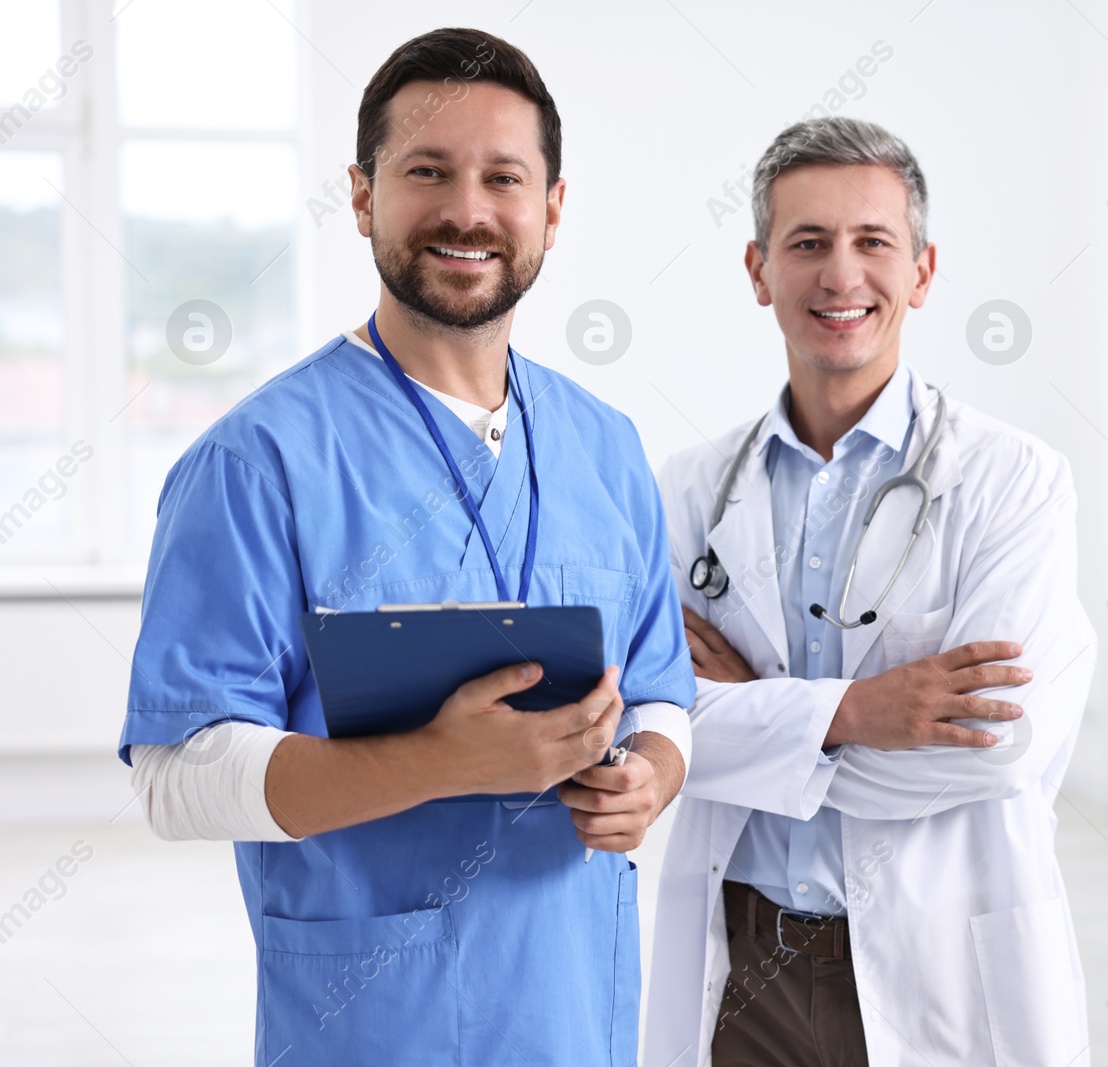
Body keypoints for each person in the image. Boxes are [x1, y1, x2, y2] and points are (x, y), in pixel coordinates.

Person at [117, 29, 694, 1065]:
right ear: (361, 193)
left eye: (502, 177)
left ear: (552, 207)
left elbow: (661, 690)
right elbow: (175, 771)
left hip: (574, 1006)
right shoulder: (258, 460)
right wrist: (436, 762)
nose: (466, 210)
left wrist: (651, 771)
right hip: (373, 1019)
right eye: (426, 171)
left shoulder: (604, 446)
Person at [641, 116, 1098, 1067]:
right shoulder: (686, 488)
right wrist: (862, 709)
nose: (840, 275)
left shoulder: (1013, 480)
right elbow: (647, 725)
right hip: (746, 965)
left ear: (923, 271)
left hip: (940, 958)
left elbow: (994, 747)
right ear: (758, 270)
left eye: (872, 242)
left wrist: (747, 719)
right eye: (807, 243)